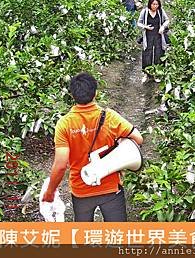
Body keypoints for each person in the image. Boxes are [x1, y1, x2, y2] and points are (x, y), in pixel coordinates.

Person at [42, 72, 143, 221]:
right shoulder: (110, 117)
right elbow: (138, 138)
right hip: (110, 188)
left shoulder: (64, 124)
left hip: (81, 190)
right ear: (95, 93)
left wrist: (50, 191)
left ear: (72, 95)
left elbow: (61, 165)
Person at [137, 0, 169, 83]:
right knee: (147, 53)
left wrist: (162, 27)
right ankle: (147, 74)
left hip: (158, 36)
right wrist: (146, 27)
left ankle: (157, 73)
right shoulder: (145, 12)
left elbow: (167, 20)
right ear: (150, 4)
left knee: (159, 54)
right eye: (153, 4)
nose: (155, 6)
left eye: (157, 4)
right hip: (148, 36)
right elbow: (139, 23)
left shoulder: (161, 11)